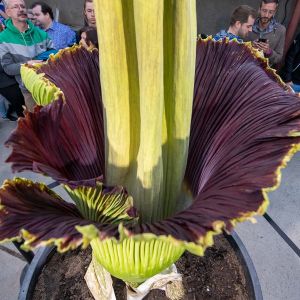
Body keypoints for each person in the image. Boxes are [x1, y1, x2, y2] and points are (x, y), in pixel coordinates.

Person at [0, 0, 54, 111]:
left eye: (22, 6)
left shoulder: (41, 33)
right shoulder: (3, 39)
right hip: (28, 91)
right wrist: (27, 64)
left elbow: (54, 54)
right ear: (8, 12)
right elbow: (8, 69)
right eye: (16, 7)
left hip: (51, 87)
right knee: (37, 124)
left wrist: (44, 59)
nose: (21, 9)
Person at [246, 0, 286, 66]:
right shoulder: (249, 23)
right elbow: (237, 46)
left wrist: (268, 52)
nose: (266, 15)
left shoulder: (281, 30)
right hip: (244, 65)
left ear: (274, 12)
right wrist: (250, 46)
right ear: (259, 9)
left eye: (271, 12)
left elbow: (278, 58)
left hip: (262, 71)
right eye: (264, 10)